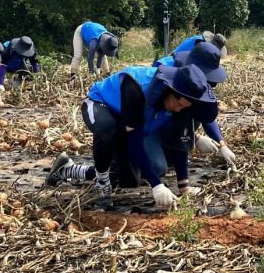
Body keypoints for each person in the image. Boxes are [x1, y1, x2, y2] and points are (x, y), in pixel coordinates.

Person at [47, 64, 215, 209]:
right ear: (169, 90)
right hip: (101, 105)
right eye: (177, 104)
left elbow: (179, 141)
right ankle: (102, 183)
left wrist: (183, 187)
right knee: (107, 130)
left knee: (131, 178)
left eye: (183, 106)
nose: (178, 109)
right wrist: (156, 185)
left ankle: (68, 169)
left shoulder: (179, 103)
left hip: (127, 122)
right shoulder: (137, 89)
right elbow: (135, 141)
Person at [155, 43, 236, 165]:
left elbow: (205, 111)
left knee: (193, 107)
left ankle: (174, 147)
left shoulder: (200, 78)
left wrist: (221, 143)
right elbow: (155, 113)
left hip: (175, 114)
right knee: (158, 167)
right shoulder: (164, 70)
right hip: (153, 119)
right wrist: (195, 137)